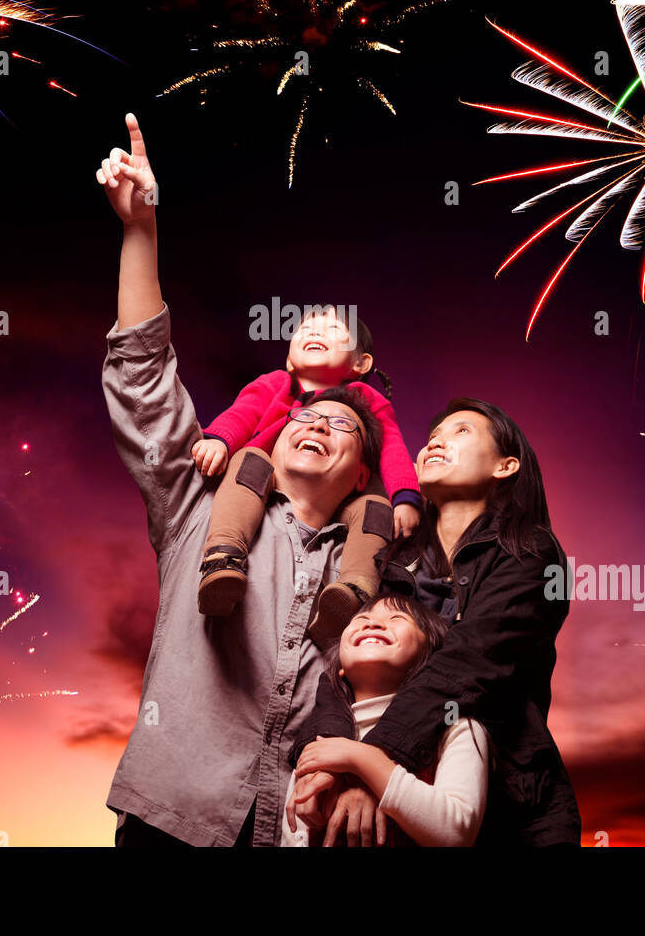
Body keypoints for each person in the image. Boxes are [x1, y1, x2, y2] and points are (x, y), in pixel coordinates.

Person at [95, 113, 384, 846]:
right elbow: (144, 382)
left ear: (362, 474)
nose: (320, 425)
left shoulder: (380, 566)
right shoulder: (200, 507)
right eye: (306, 420)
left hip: (295, 833)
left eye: (345, 426)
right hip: (170, 820)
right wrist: (140, 232)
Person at [287, 399, 582, 847]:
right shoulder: (395, 560)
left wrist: (370, 765)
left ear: (505, 466)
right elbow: (341, 666)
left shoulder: (531, 552)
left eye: (461, 431)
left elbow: (469, 663)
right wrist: (323, 759)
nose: (436, 441)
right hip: (403, 805)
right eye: (433, 435)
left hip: (509, 809)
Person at [193, 305, 422, 646]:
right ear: (289, 359)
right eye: (305, 328)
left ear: (361, 364)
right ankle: (224, 557)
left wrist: (406, 496)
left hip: (342, 498)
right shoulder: (274, 384)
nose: (314, 332)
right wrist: (219, 440)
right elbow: (243, 412)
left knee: (374, 506)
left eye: (332, 329)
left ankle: (352, 593)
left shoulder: (368, 399)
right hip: (270, 480)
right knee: (250, 459)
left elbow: (391, 448)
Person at [281, 594, 490, 847]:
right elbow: (295, 833)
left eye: (397, 618)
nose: (372, 624)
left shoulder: (456, 727)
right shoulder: (318, 739)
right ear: (340, 669)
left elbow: (456, 833)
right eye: (361, 619)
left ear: (431, 661)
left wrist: (363, 759)